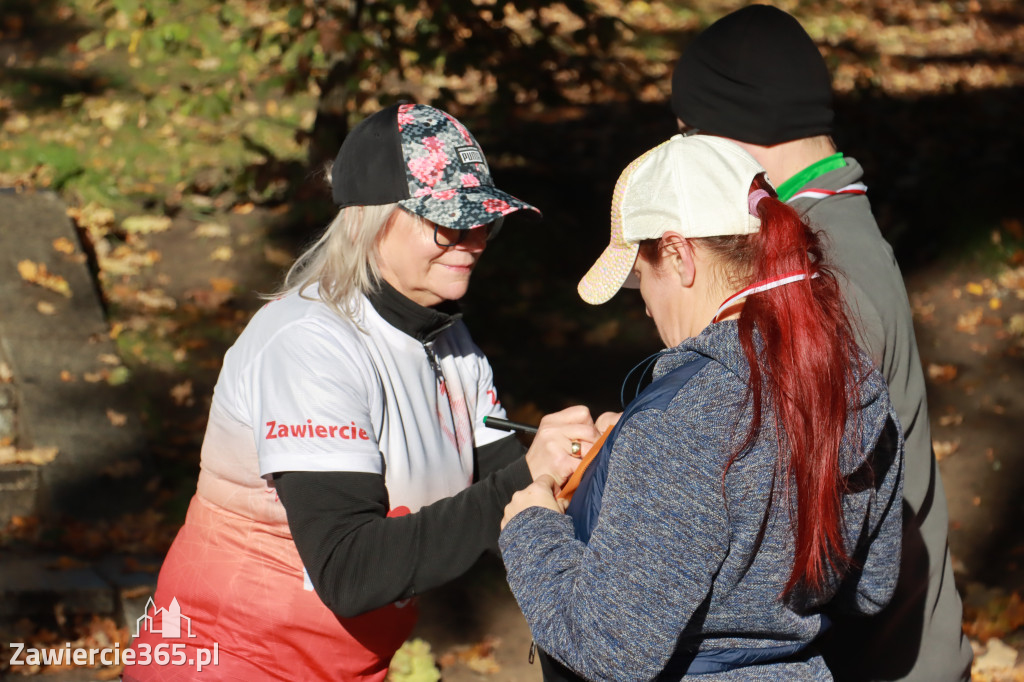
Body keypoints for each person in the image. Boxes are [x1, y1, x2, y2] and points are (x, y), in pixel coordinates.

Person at [122, 103, 598, 681]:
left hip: (346, 666)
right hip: (230, 662)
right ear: (369, 220)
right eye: (448, 222)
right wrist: (530, 476)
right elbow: (350, 571)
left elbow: (509, 506)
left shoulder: (447, 335)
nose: (472, 241)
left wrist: (590, 466)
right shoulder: (309, 343)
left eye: (484, 221)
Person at [499, 134, 905, 681]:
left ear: (677, 253)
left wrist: (531, 526)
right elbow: (872, 587)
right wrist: (633, 457)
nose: (643, 306)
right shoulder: (849, 379)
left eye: (640, 278)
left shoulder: (682, 421)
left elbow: (606, 648)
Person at [669, 6, 972, 681]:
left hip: (878, 661)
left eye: (688, 133)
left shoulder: (819, 274)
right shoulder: (835, 227)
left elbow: (790, 509)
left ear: (731, 132)